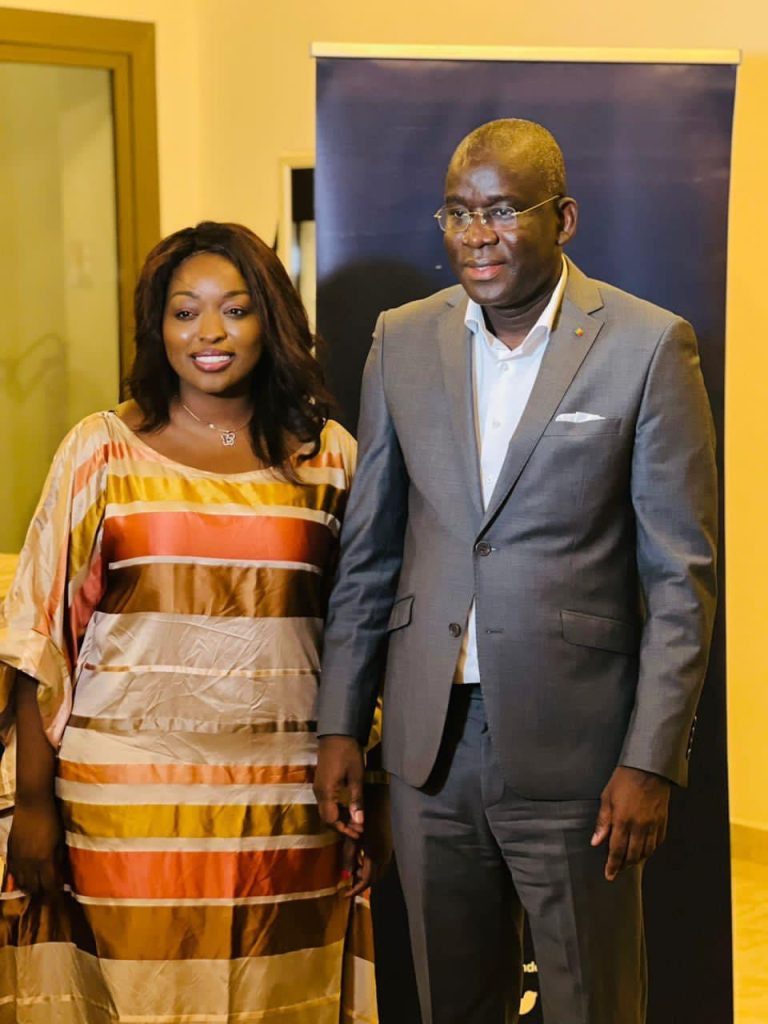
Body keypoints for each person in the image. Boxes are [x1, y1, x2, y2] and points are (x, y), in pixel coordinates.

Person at [313, 119, 718, 1024]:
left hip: (580, 753)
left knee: (591, 1002)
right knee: (454, 1001)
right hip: (428, 749)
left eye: (501, 211)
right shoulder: (401, 340)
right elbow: (371, 551)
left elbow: (679, 583)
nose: (476, 234)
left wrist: (650, 760)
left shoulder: (648, 346)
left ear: (562, 218)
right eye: (457, 212)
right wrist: (340, 722)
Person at [0, 222, 379, 1023]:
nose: (209, 332)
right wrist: (33, 804)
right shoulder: (101, 450)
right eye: (185, 312)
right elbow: (38, 632)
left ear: (271, 321)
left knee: (277, 1003)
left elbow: (363, 628)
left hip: (286, 806)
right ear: (158, 326)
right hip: (122, 809)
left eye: (235, 310)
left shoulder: (330, 458)